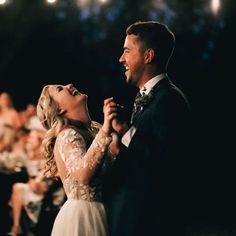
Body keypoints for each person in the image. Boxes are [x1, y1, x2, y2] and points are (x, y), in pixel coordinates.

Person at [103, 20, 194, 236]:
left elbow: (166, 163)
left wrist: (126, 133)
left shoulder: (170, 99)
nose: (121, 59)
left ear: (148, 56)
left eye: (127, 51)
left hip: (150, 222)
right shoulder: (149, 96)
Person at [36, 83, 119, 236]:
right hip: (85, 217)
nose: (69, 85)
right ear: (59, 109)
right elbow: (83, 175)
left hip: (107, 210)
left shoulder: (94, 130)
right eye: (60, 89)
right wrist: (106, 129)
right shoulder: (67, 134)